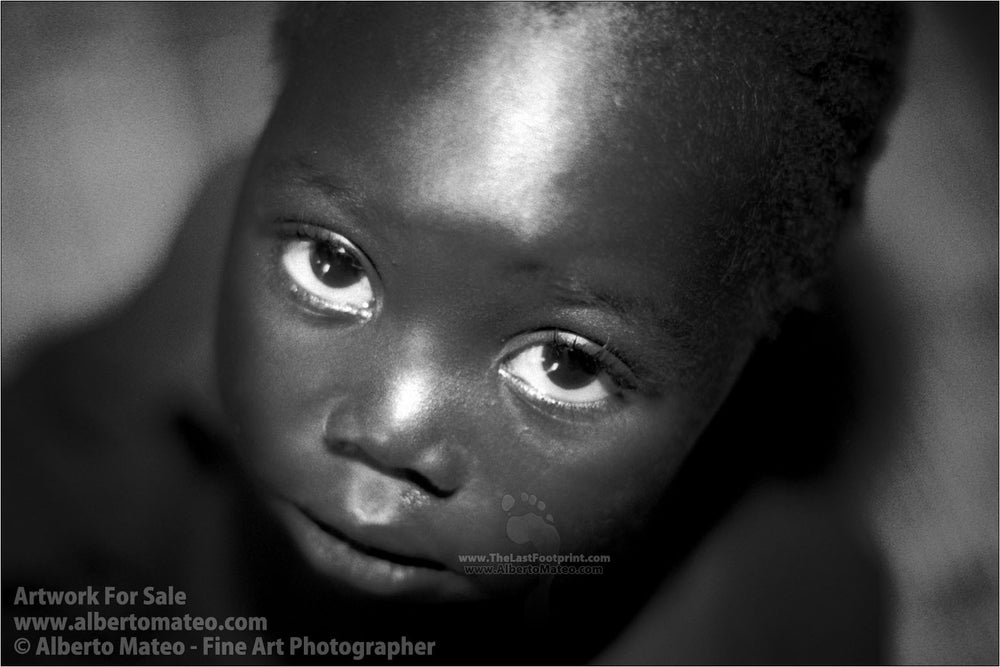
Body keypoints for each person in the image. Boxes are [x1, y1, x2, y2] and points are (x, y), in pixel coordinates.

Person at [2, 3, 906, 663]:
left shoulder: (777, 617)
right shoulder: (201, 277)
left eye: (564, 364)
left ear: (743, 364)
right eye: (333, 267)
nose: (390, 431)